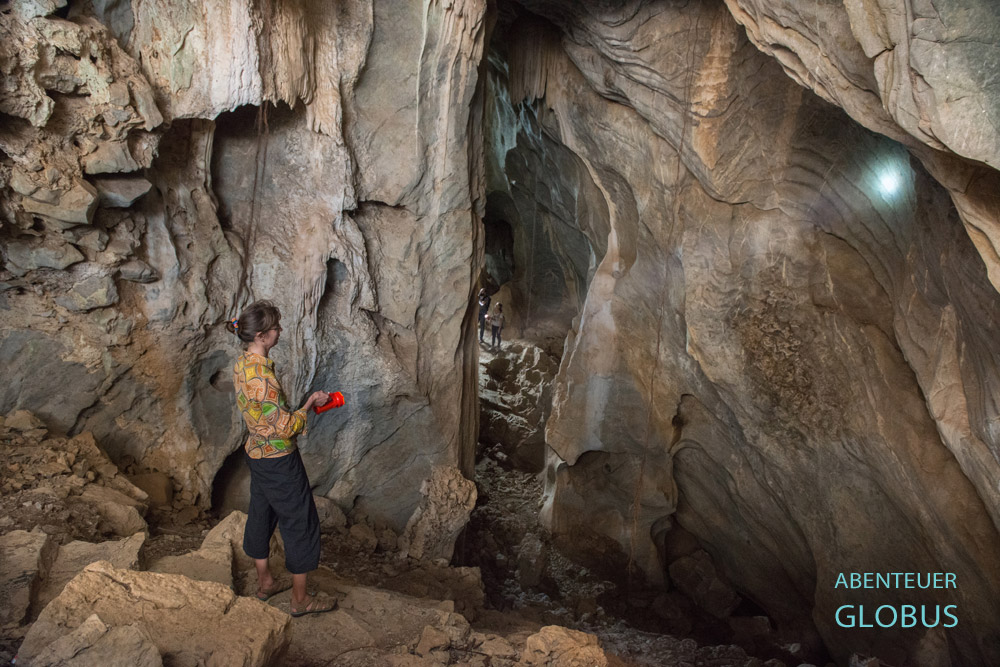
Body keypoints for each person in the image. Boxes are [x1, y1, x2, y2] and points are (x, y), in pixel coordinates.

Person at [227, 300, 335, 617]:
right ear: (261, 336)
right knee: (300, 522)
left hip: (257, 454)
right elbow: (285, 427)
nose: (280, 331)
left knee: (261, 513)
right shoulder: (262, 379)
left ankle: (266, 583)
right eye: (275, 327)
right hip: (278, 460)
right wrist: (310, 403)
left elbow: (265, 418)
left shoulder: (242, 364)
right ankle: (301, 601)